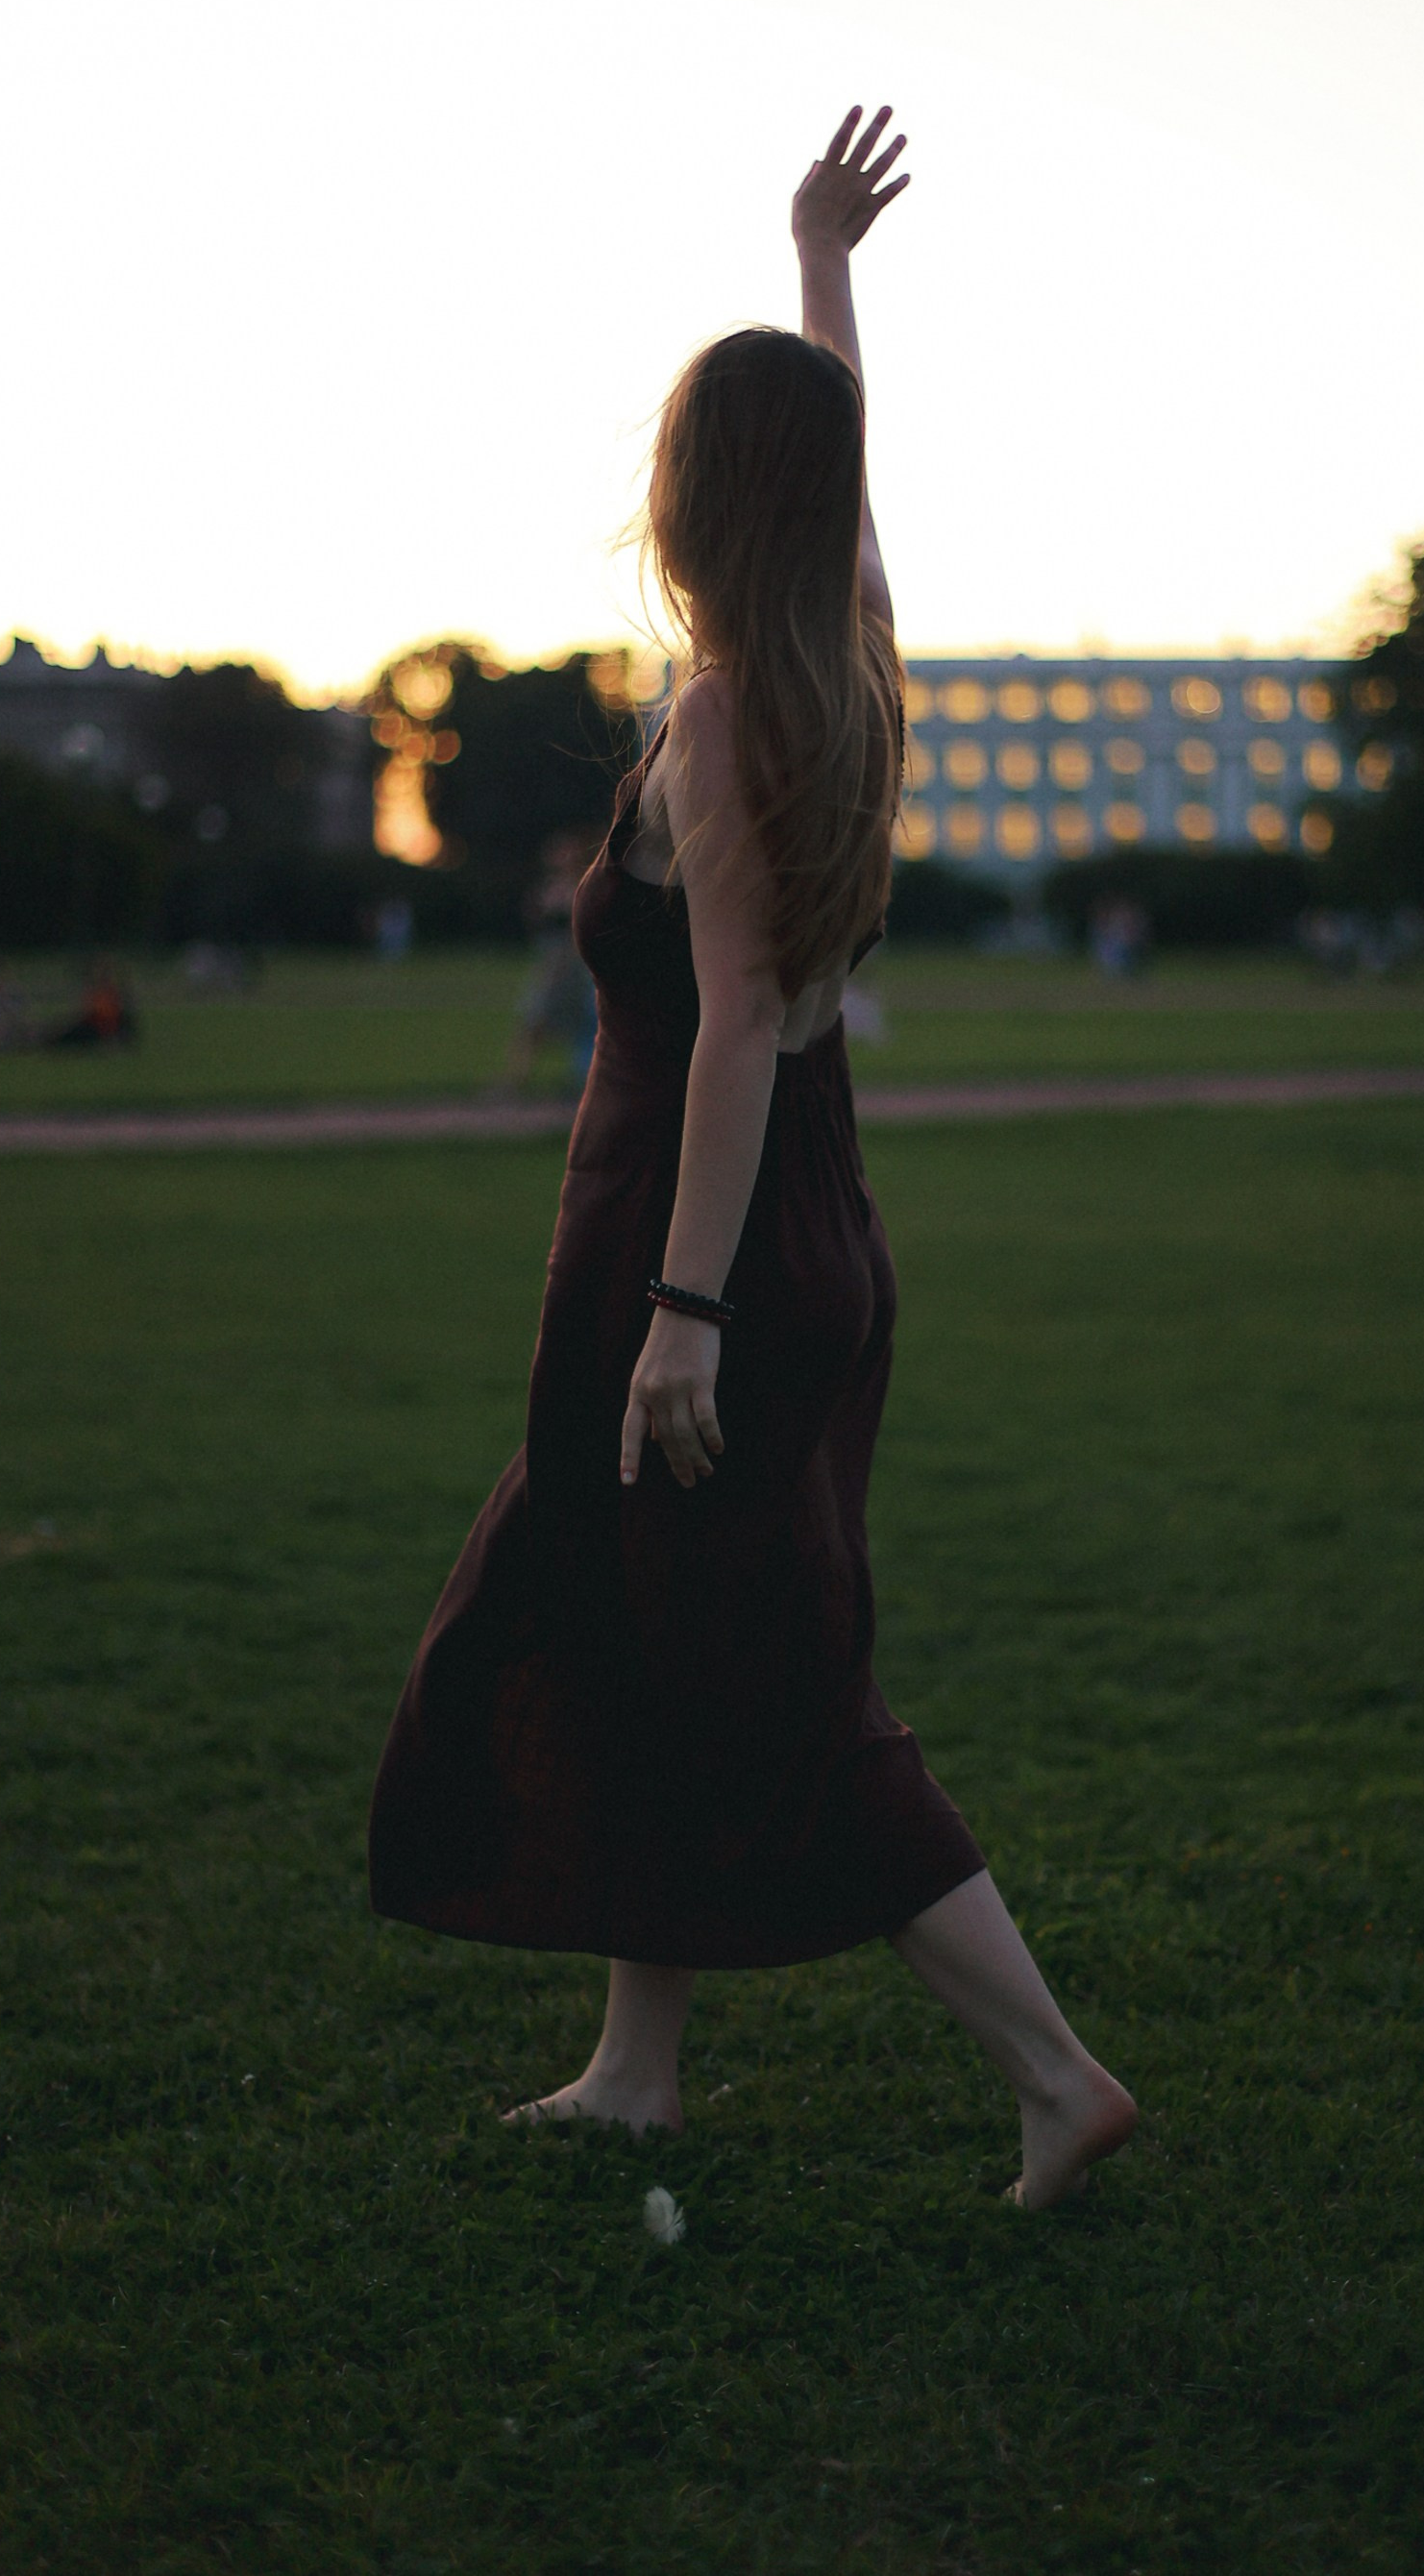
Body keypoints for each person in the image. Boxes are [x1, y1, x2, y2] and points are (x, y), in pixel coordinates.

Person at [370, 108, 1135, 2211]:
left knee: (767, 1684)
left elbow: (724, 1027)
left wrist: (680, 1317)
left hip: (696, 1236)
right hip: (806, 1226)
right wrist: (826, 266)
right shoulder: (842, 660)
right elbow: (847, 493)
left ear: (695, 496)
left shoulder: (720, 721)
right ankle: (636, 2068)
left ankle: (1055, 2075)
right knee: (654, 1637)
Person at [499, 826, 603, 1092]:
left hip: (574, 967)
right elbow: (535, 923)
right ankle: (517, 1081)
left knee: (579, 1026)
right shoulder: (549, 888)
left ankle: (582, 1080)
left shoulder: (582, 886)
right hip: (552, 963)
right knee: (535, 1025)